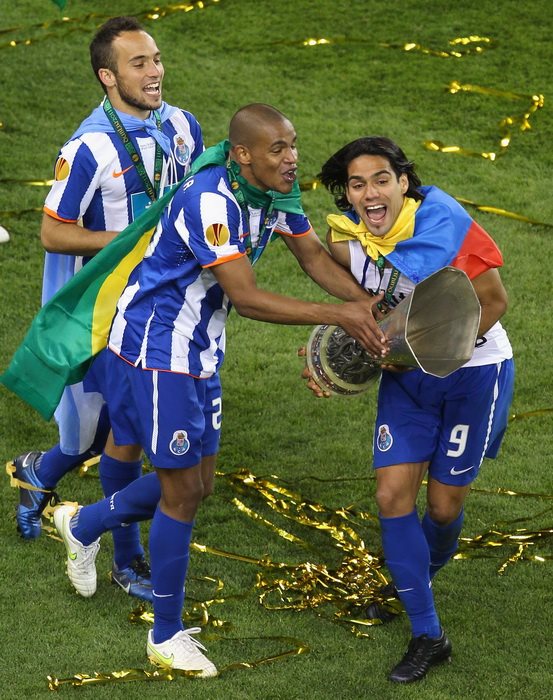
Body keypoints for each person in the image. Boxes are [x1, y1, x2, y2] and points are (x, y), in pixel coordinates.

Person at [52, 103, 389, 677]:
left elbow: (311, 255)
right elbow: (248, 297)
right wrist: (339, 314)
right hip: (158, 352)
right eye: (278, 149)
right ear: (243, 155)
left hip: (197, 350)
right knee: (182, 493)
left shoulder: (277, 191)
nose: (292, 158)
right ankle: (165, 635)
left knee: (198, 484)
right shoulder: (210, 200)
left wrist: (368, 306)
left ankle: (82, 524)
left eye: (293, 144)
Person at [11, 16, 204, 603]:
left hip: (167, 308)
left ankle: (44, 477)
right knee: (111, 433)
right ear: (107, 76)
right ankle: (119, 551)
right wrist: (128, 243)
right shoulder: (89, 147)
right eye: (138, 64)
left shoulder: (183, 126)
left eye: (156, 59)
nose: (155, 71)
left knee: (121, 432)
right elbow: (52, 233)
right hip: (109, 313)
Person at [311, 136, 514, 683]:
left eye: (382, 180)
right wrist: (334, 361)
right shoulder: (349, 240)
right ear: (347, 193)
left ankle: (412, 580)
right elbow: (357, 305)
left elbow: (494, 301)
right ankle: (428, 633)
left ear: (404, 183)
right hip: (408, 382)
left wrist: (425, 352)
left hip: (473, 375)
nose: (370, 193)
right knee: (391, 495)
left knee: (443, 510)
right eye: (357, 184)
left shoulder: (446, 227)